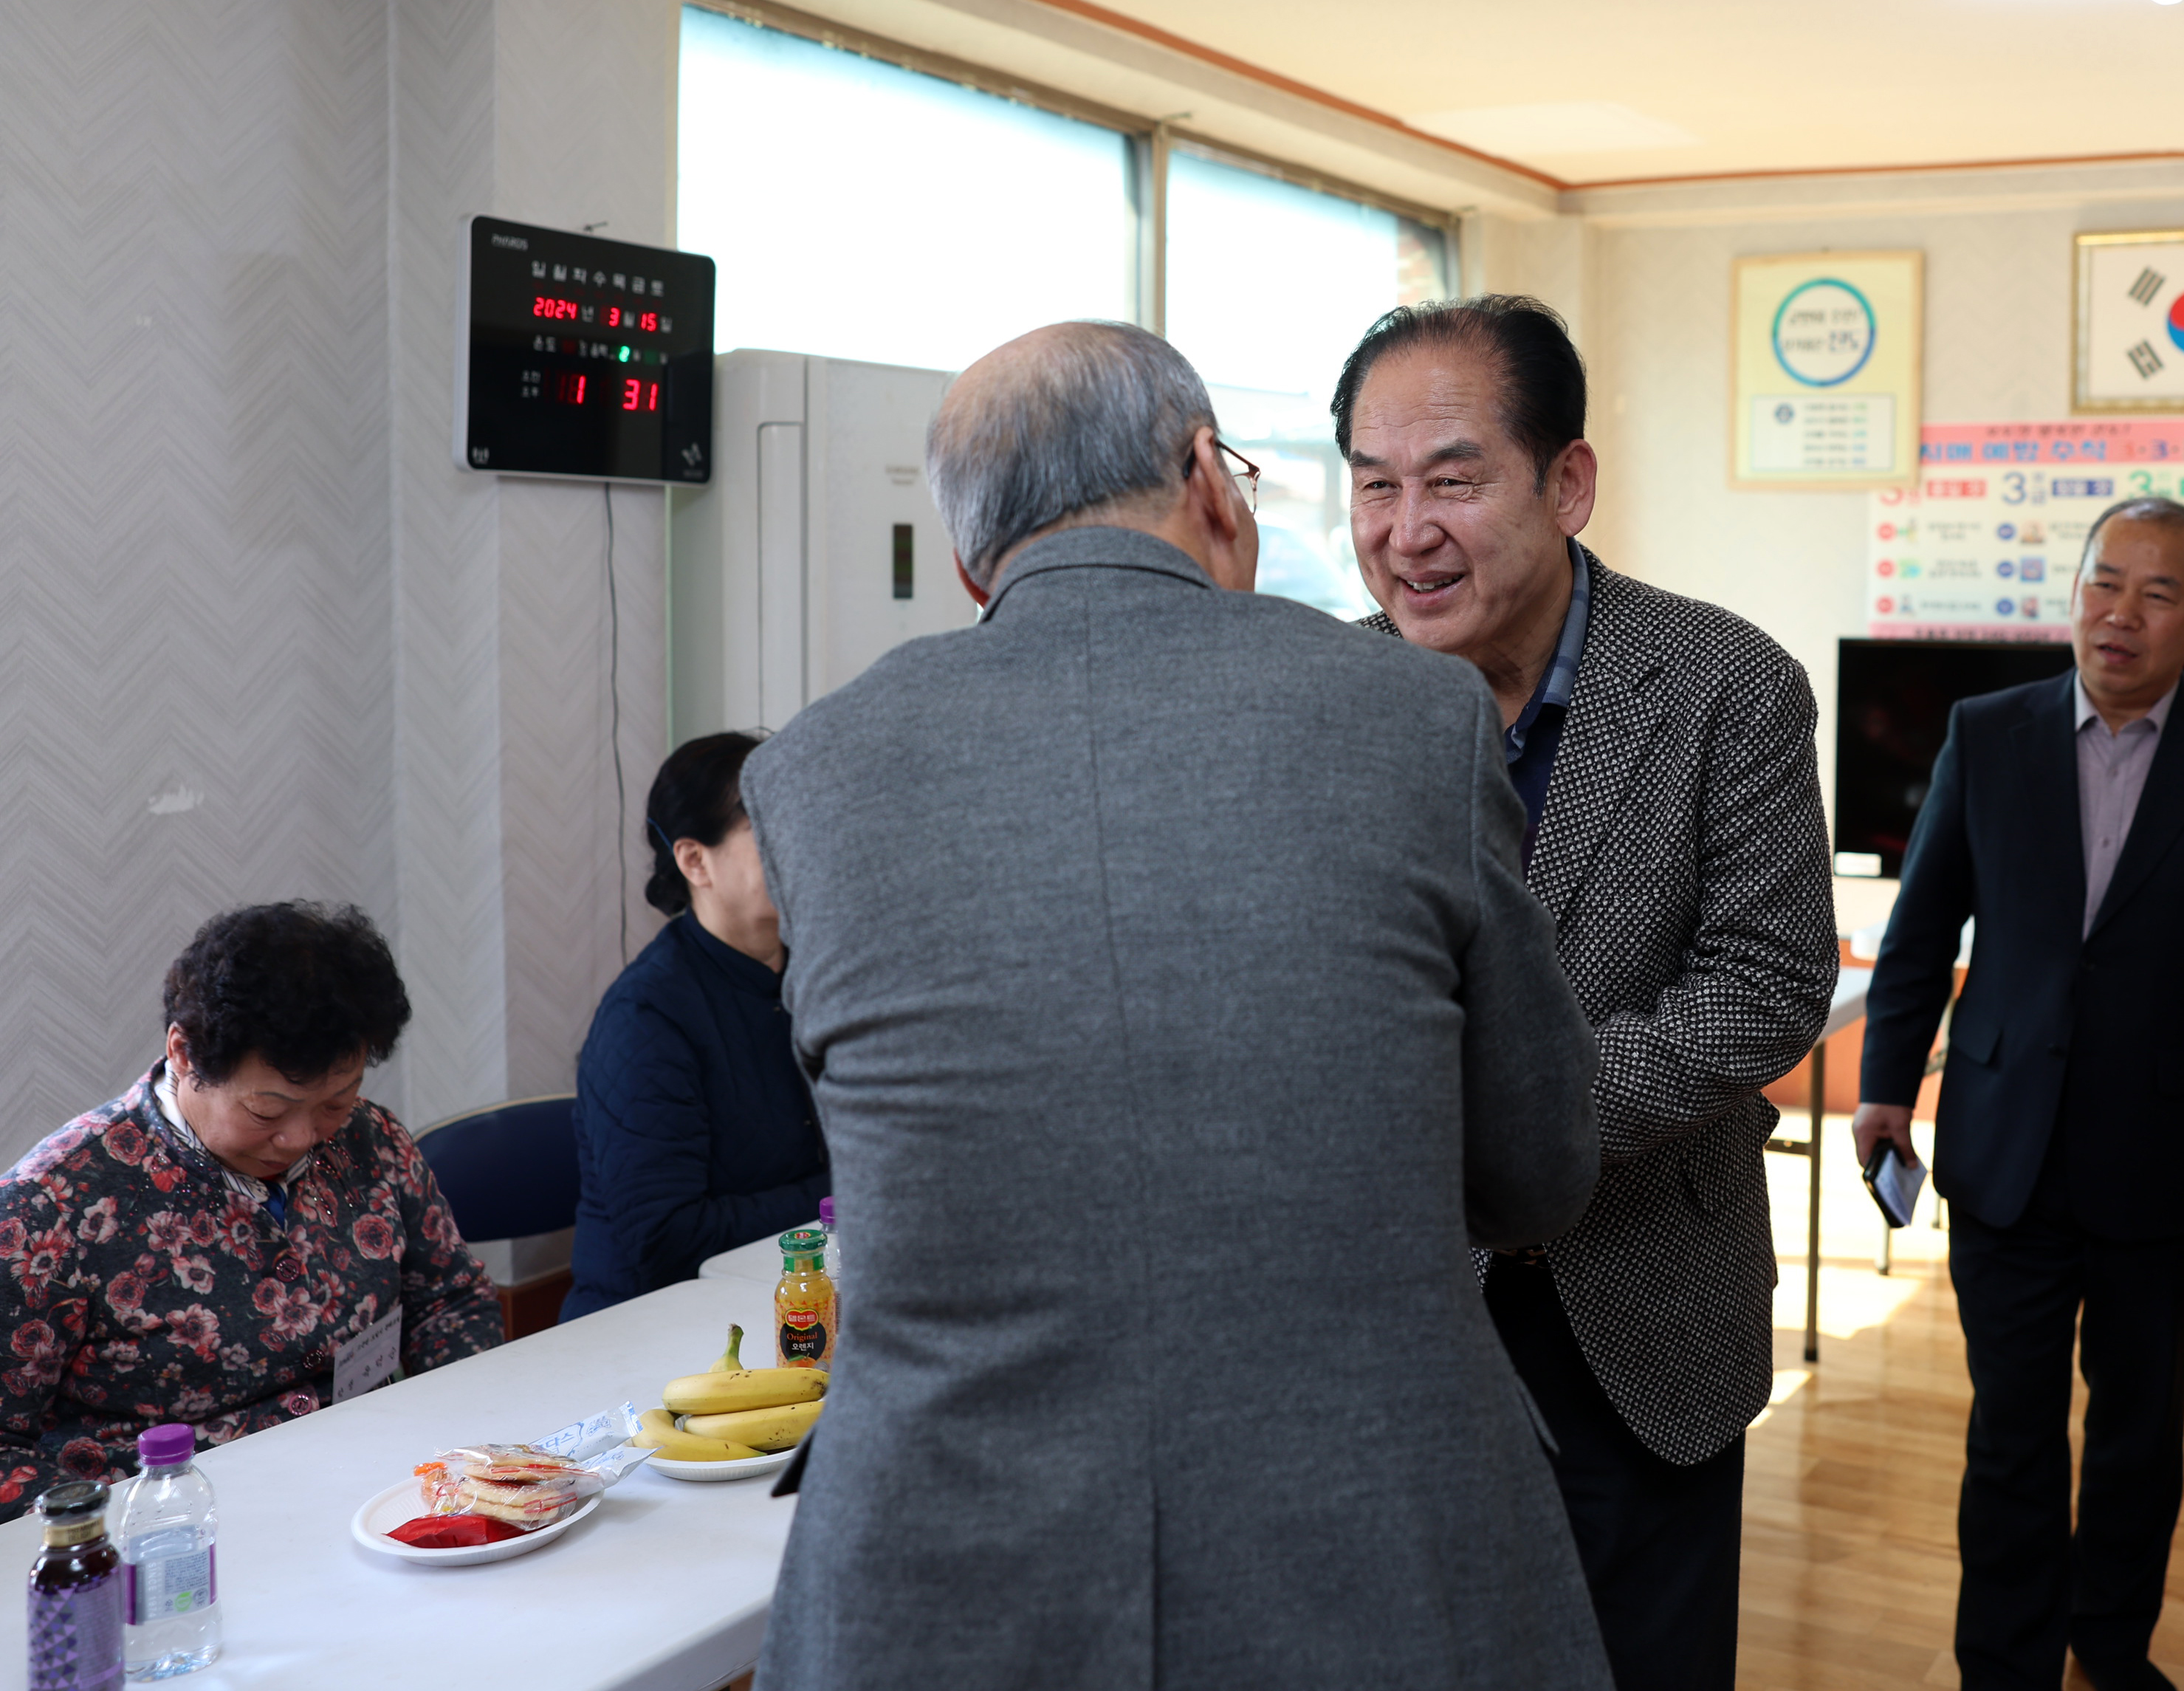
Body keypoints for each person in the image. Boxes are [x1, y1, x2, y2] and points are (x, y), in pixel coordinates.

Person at [742, 320, 1610, 1691]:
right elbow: (1533, 1171)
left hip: (940, 1567)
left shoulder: (811, 771)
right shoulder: (1410, 719)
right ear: (1210, 477)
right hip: (1365, 1544)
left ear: (973, 564)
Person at [1334, 295, 1839, 1691]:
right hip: (1388, 1311)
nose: (1404, 529)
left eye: (1452, 477)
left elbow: (1764, 986)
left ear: (1566, 481)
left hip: (1637, 1304)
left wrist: (1514, 1119)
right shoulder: (1322, 701)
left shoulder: (1721, 684)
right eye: (1373, 485)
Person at [1853, 498, 2184, 1691]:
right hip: (2000, 1142)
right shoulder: (1987, 732)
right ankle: (2002, 1668)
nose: (2118, 614)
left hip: (2157, 1156)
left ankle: (2110, 1651)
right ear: (2071, 594)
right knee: (2008, 1434)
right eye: (2101, 583)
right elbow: (1920, 933)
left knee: (2134, 1436)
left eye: (2155, 594)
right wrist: (1878, 1093)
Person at [0, 904, 502, 1519]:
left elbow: (451, 1299)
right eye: (267, 1112)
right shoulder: (49, 1207)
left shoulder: (369, 1139)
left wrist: (459, 1446)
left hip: (383, 1488)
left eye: (335, 1104)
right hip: (175, 1531)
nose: (303, 1138)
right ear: (184, 1055)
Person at [560, 732, 828, 1321]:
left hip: (794, 1295)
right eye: (771, 829)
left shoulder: (820, 970)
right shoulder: (647, 1017)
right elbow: (669, 1240)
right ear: (694, 860)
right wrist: (842, 1196)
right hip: (651, 1329)